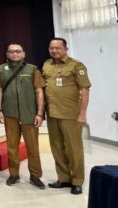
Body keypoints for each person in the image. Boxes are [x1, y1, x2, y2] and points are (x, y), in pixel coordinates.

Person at [42, 38, 91, 195]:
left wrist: (83, 113)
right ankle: (63, 178)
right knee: (57, 148)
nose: (54, 50)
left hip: (70, 114)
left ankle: (77, 180)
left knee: (74, 149)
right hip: (52, 113)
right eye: (51, 48)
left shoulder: (76, 65)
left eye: (58, 48)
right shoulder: (46, 64)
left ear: (65, 49)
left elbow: (85, 90)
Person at [0, 43, 45, 189]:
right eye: (11, 51)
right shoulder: (1, 69)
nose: (15, 54)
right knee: (12, 146)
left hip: (29, 113)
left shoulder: (32, 69)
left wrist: (40, 113)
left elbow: (39, 92)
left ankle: (35, 176)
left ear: (23, 54)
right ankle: (14, 174)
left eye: (18, 51)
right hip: (10, 113)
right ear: (7, 54)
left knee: (32, 147)